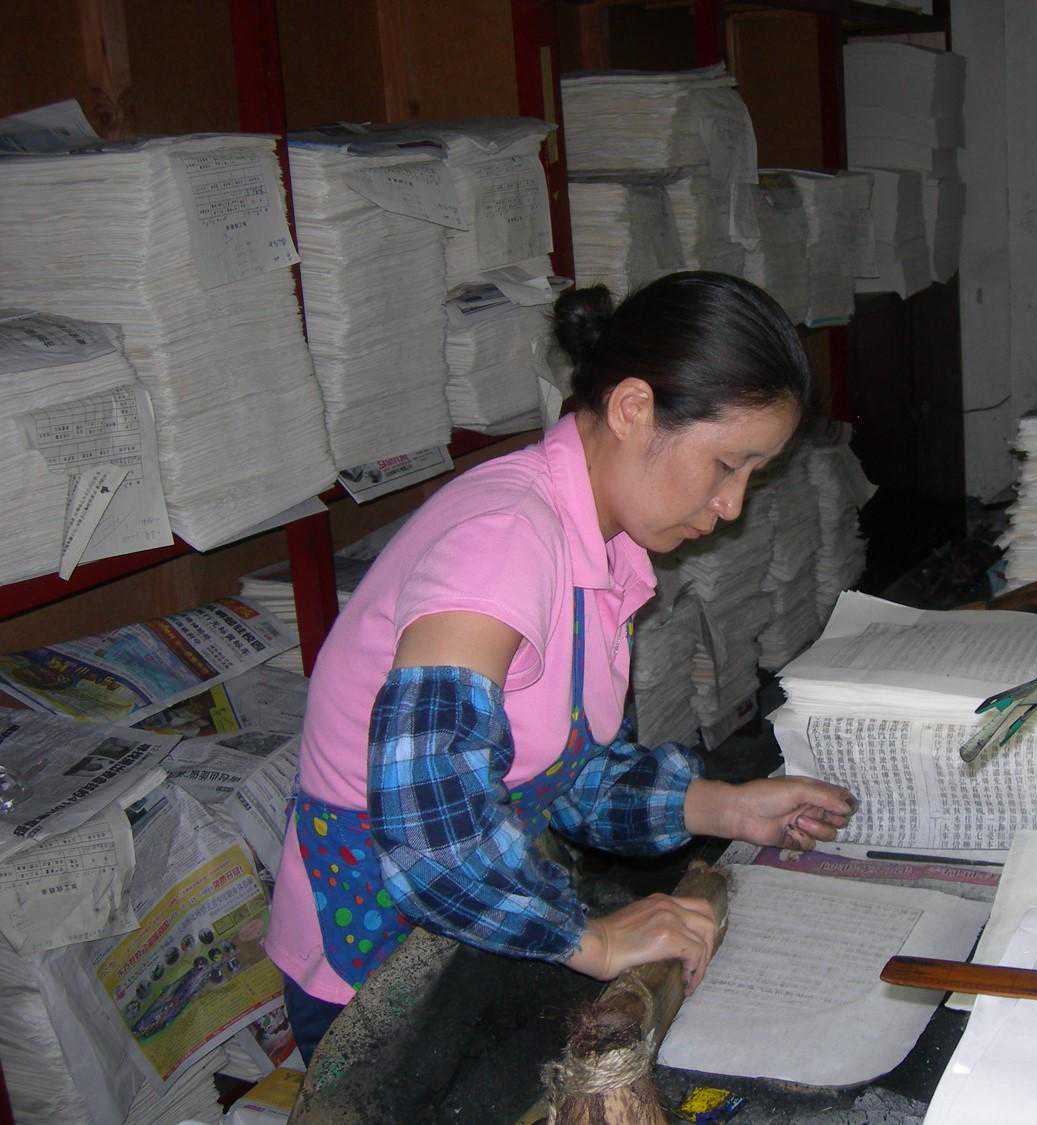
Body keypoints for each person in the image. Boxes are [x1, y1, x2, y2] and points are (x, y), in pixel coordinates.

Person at [265, 272, 858, 1062]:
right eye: (726, 465)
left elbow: (556, 774)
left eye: (754, 474)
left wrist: (729, 809)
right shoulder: (502, 542)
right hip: (373, 987)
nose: (733, 505)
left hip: (465, 944)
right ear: (632, 408)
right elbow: (432, 834)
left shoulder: (598, 545)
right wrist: (595, 938)